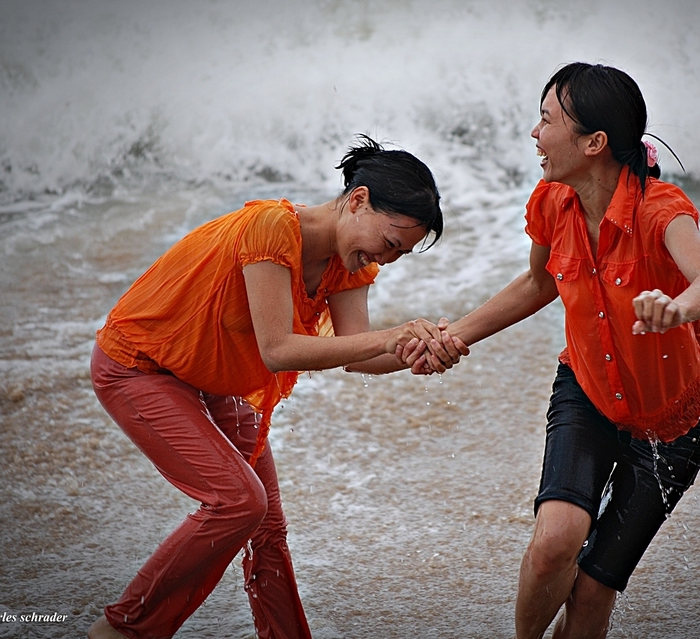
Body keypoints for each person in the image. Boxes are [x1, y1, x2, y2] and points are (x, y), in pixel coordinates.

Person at [87, 136, 463, 639]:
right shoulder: (272, 227)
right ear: (357, 200)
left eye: (401, 253)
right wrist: (393, 337)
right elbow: (278, 350)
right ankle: (123, 629)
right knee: (240, 502)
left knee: (267, 527)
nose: (389, 258)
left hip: (208, 378)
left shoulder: (346, 264)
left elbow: (358, 354)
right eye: (391, 243)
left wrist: (417, 354)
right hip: (138, 365)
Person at [411, 63, 700, 638]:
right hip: (587, 391)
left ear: (594, 143)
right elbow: (537, 283)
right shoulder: (550, 200)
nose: (534, 133)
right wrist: (456, 334)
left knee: (590, 597)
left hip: (674, 422)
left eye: (546, 119)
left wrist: (678, 309)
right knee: (552, 547)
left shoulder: (659, 210)